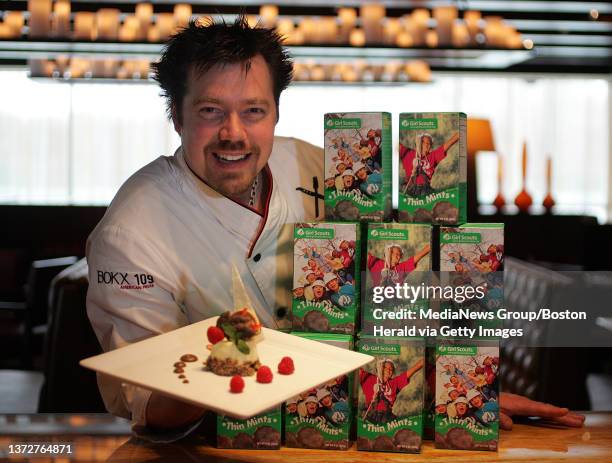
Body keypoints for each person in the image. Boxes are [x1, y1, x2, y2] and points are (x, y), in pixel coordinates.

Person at [86, 16, 584, 440]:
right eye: (210, 111)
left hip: (347, 432)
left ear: (276, 113)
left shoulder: (321, 168)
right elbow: (145, 396)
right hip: (216, 447)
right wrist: (224, 371)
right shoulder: (131, 230)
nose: (233, 133)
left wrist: (461, 389)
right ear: (176, 116)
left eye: (253, 111)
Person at [360, 357, 424, 424]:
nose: (388, 370)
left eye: (391, 369)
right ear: (380, 368)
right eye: (385, 368)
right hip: (370, 416)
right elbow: (354, 368)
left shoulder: (394, 383)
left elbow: (414, 369)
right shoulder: (370, 379)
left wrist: (425, 360)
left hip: (386, 417)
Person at [400, 131, 459, 196]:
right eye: (427, 143)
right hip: (409, 189)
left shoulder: (433, 156)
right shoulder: (409, 153)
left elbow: (448, 144)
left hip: (425, 190)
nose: (429, 146)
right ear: (420, 143)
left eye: (430, 144)